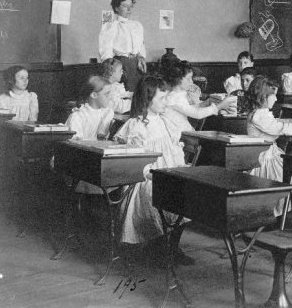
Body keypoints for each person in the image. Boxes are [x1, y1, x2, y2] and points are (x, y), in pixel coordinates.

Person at [114, 75, 186, 247]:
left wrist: (181, 168)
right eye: (161, 98)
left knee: (187, 192)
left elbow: (174, 151)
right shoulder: (137, 126)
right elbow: (134, 163)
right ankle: (159, 245)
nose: (165, 102)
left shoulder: (165, 121)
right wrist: (154, 175)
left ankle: (171, 247)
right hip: (144, 179)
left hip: (167, 172)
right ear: (148, 99)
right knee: (162, 194)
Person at [246, 76, 292, 214]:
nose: (276, 99)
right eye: (273, 95)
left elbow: (278, 122)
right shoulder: (258, 116)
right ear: (263, 96)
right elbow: (280, 128)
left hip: (269, 153)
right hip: (263, 159)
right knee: (290, 176)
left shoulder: (261, 113)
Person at [62, 75, 115, 194]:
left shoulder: (107, 113)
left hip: (98, 158)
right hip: (80, 158)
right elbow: (76, 146)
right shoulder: (78, 116)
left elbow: (103, 136)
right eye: (107, 94)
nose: (110, 97)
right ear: (94, 95)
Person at [164, 62, 235, 132]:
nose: (191, 82)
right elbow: (197, 114)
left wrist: (206, 103)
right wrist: (219, 107)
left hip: (185, 132)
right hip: (181, 135)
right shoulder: (173, 98)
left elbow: (189, 109)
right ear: (178, 79)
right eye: (188, 78)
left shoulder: (179, 94)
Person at [98, 0, 146, 92]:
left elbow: (141, 44)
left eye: (130, 6)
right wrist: (111, 67)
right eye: (125, 6)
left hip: (137, 65)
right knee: (124, 93)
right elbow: (106, 47)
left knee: (138, 94)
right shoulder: (111, 26)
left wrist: (141, 56)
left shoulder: (137, 25)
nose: (129, 9)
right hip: (121, 65)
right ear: (116, 8)